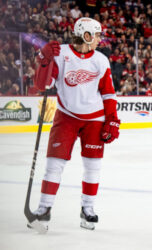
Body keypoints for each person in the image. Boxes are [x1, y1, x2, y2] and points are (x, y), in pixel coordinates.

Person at [28, 17, 120, 231]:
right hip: (66, 115)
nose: (99, 39)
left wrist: (112, 119)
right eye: (97, 35)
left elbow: (108, 92)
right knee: (54, 164)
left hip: (95, 118)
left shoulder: (100, 60)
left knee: (92, 166)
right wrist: (44, 61)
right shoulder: (61, 54)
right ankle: (44, 210)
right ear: (86, 36)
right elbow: (43, 85)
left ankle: (87, 209)